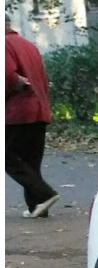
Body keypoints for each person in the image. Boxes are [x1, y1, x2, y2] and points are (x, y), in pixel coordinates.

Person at [6, 15, 60, 218]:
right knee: (31, 159)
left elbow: (8, 76)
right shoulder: (29, 45)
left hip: (18, 110)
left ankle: (45, 194)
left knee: (7, 156)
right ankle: (37, 206)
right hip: (39, 108)